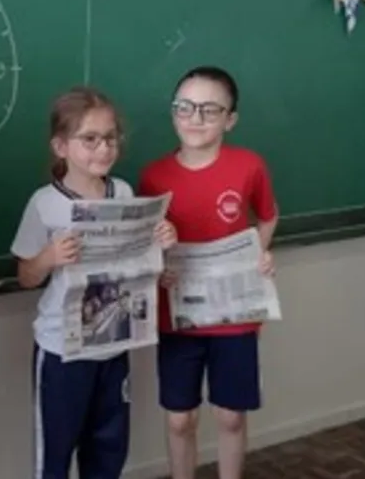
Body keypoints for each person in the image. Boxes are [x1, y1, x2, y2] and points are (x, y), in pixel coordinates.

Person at [10, 87, 177, 479]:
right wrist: (49, 257)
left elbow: (137, 262)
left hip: (113, 344)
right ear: (61, 146)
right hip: (62, 352)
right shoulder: (44, 203)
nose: (103, 149)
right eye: (90, 139)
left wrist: (160, 240)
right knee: (55, 452)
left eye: (110, 138)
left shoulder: (123, 192)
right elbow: (25, 276)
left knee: (107, 450)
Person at [138, 66, 279, 479]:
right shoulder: (153, 176)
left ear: (229, 119)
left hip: (234, 315)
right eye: (184, 107)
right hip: (177, 315)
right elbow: (146, 242)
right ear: (173, 112)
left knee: (230, 415)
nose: (194, 118)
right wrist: (157, 268)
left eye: (209, 110)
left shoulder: (248, 166)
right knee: (180, 419)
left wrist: (261, 254)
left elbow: (268, 217)